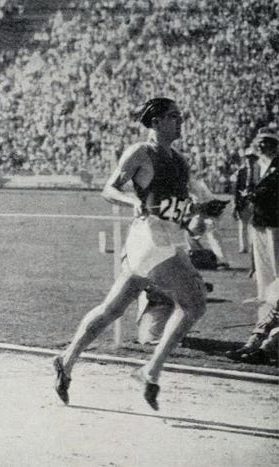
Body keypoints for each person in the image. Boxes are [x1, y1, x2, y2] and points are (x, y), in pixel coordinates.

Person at [53, 98, 207, 411]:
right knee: (194, 303)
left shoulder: (179, 160)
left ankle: (66, 360)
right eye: (174, 116)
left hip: (168, 238)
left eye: (180, 115)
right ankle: (150, 371)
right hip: (149, 239)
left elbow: (181, 207)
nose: (180, 121)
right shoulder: (140, 152)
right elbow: (108, 189)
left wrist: (197, 216)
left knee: (112, 309)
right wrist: (129, 201)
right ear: (157, 121)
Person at [244, 129, 279, 322]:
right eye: (260, 142)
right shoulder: (256, 165)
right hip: (259, 219)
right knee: (261, 262)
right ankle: (266, 297)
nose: (263, 145)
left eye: (267, 142)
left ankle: (277, 299)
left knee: (276, 263)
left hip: (275, 220)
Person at [232, 149, 259, 254]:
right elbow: (236, 189)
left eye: (252, 158)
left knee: (253, 224)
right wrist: (235, 204)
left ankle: (253, 245)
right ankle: (243, 247)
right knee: (243, 225)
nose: (250, 160)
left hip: (254, 200)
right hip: (242, 201)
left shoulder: (258, 171)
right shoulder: (241, 171)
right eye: (248, 158)